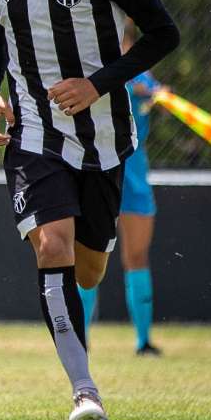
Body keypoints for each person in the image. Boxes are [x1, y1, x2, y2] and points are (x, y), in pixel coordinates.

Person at [0, 0, 179, 420]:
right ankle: (85, 391)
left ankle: (92, 338)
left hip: (107, 141)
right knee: (51, 246)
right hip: (33, 134)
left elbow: (165, 33)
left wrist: (97, 84)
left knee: (90, 267)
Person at [78, 23, 163, 355]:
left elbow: (145, 90)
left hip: (134, 176)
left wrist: (151, 92)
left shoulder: (142, 77)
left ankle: (143, 342)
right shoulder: (88, 71)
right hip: (98, 169)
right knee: (87, 258)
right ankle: (79, 340)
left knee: (137, 255)